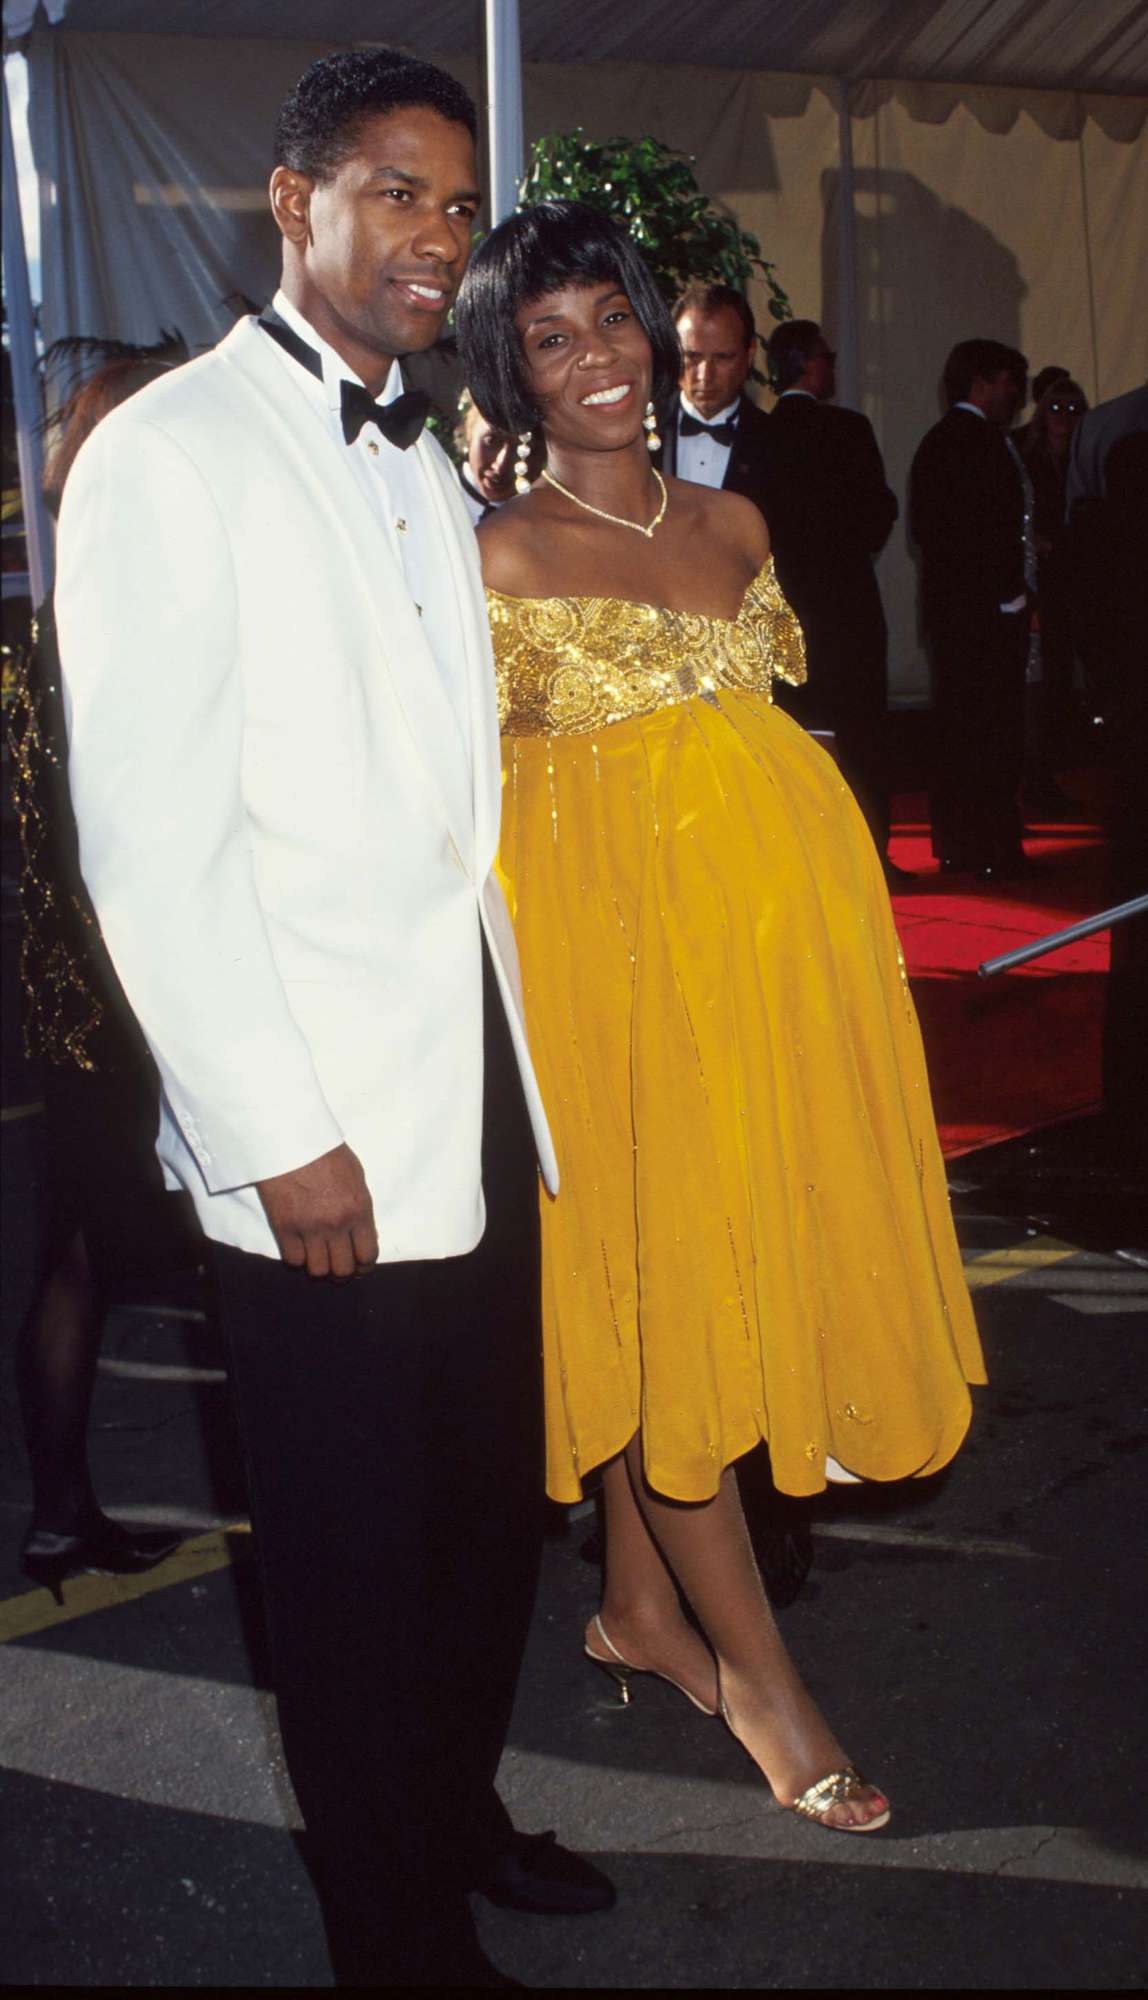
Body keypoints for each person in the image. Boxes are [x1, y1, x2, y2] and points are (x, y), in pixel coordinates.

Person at [55, 50, 610, 1989]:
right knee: (357, 1570)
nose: (433, 237)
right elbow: (154, 840)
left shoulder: (419, 451)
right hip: (320, 1137)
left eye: (455, 204)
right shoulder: (171, 452)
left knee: (475, 1534)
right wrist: (277, 1126)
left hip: (465, 1091)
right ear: (291, 204)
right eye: (393, 191)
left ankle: (451, 1818)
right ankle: (391, 1929)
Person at [456, 200, 986, 1837]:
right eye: (550, 341)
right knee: (661, 1289)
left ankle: (632, 1607)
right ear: (512, 376)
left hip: (772, 985)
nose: (597, 358)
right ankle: (760, 1680)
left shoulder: (741, 525)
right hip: (608, 993)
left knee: (681, 1292)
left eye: (608, 319)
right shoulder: (489, 561)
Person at [10, 355, 199, 1603]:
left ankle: (64, 1509)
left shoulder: (85, 600)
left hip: (94, 996)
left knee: (75, 1255)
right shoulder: (58, 616)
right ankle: (65, 1504)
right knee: (88, 1248)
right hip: (94, 1001)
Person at [761, 318, 903, 881]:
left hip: (782, 612)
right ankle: (870, 857)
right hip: (848, 610)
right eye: (830, 356)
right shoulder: (848, 430)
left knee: (793, 738)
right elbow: (877, 515)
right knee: (862, 733)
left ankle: (800, 856)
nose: (834, 367)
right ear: (810, 364)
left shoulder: (761, 435)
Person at [909, 338, 1030, 880]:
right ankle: (992, 849)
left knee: (958, 731)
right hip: (986, 617)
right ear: (981, 382)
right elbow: (988, 536)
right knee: (992, 732)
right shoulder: (979, 443)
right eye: (1010, 383)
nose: (1018, 396)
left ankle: (960, 845)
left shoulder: (936, 443)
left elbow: (926, 533)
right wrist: (1013, 597)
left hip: (951, 616)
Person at [1021, 376, 1089, 811]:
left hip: (1081, 579)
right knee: (1044, 678)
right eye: (1055, 408)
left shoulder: (1088, 456)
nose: (1063, 418)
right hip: (1043, 581)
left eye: (1071, 409)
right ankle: (1038, 776)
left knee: (1068, 678)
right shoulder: (1028, 457)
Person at [658, 282, 771, 514]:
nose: (705, 375)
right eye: (692, 356)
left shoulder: (782, 446)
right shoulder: (633, 435)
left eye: (723, 357)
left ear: (749, 354)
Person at [455, 389, 543, 523]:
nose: (501, 464)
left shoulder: (540, 521)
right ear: (469, 430)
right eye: (491, 441)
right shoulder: (434, 495)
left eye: (523, 450)